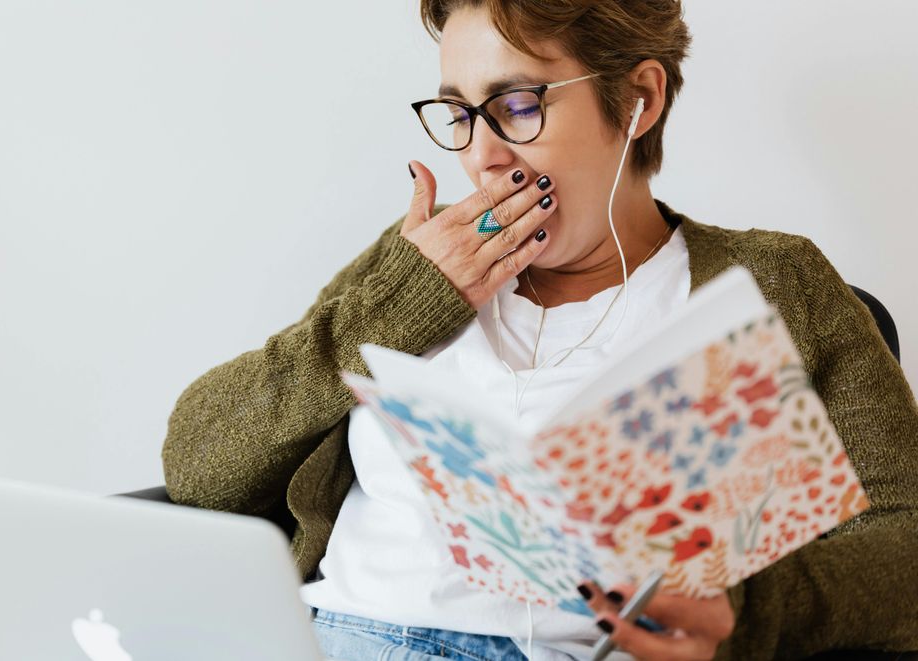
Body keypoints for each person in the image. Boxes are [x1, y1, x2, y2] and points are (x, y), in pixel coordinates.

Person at [160, 1, 918, 659]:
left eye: (518, 105)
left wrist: (750, 615)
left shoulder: (772, 285)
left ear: (637, 99)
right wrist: (398, 304)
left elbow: (906, 544)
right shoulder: (420, 264)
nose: (482, 155)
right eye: (458, 113)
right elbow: (198, 464)